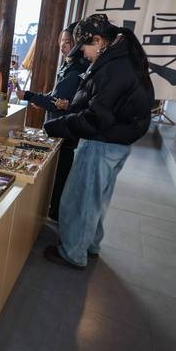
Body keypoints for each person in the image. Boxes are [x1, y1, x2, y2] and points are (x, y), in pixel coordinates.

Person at [42, 14, 154, 270]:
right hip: (118, 141)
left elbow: (96, 117)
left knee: (80, 199)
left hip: (102, 141)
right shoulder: (124, 58)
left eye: (84, 48)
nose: (84, 54)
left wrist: (57, 126)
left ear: (98, 40)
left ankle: (73, 253)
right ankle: (90, 244)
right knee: (98, 199)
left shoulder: (113, 67)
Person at [17, 22, 89, 221]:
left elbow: (57, 101)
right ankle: (53, 210)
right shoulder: (69, 65)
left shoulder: (76, 69)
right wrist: (40, 99)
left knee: (60, 174)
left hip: (64, 130)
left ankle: (55, 212)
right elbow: (55, 95)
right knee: (59, 172)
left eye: (67, 42)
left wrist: (29, 96)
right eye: (61, 41)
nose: (62, 45)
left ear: (77, 44)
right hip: (62, 128)